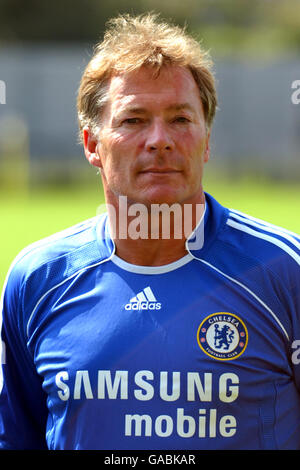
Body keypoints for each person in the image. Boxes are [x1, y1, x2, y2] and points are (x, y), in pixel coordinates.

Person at [0, 13, 299, 451]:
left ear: (207, 139)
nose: (159, 139)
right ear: (90, 144)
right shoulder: (38, 279)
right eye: (133, 120)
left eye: (180, 119)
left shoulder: (284, 271)